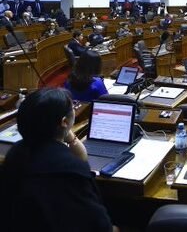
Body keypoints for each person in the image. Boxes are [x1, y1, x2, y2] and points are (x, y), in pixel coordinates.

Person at [0, 88, 114, 232]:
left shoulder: (16, 152)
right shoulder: (69, 168)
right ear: (64, 121)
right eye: (73, 107)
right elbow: (101, 226)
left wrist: (68, 135)